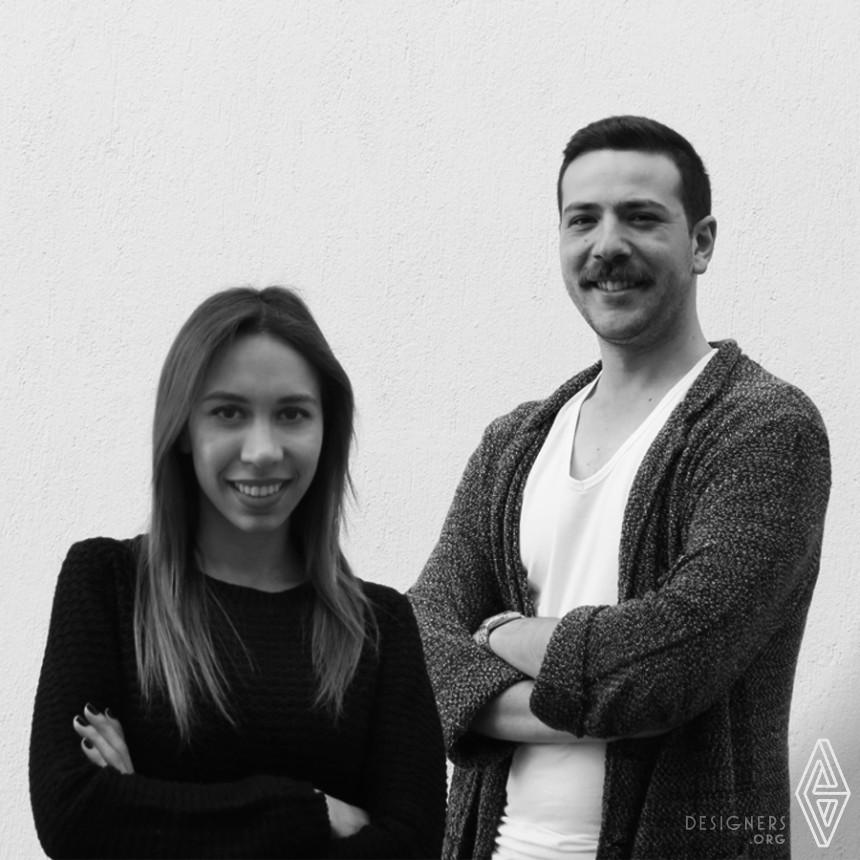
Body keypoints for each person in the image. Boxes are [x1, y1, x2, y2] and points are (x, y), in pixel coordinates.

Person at [409, 116, 831, 859]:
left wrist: (504, 637)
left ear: (701, 243)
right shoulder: (513, 443)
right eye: (583, 220)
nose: (607, 244)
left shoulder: (765, 429)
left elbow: (671, 667)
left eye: (640, 217)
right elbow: (421, 641)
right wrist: (599, 695)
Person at [30, 286, 446, 859]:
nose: (263, 450)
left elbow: (412, 845)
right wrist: (313, 811)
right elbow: (74, 817)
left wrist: (148, 809)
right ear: (183, 428)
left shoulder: (381, 626)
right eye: (228, 412)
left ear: (327, 430)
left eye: (292, 414)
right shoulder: (106, 585)